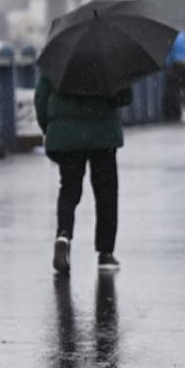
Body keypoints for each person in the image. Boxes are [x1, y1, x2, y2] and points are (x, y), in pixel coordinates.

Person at [34, 76, 133, 274]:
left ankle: (63, 235)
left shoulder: (59, 62)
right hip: (103, 134)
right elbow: (124, 98)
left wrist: (51, 128)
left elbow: (41, 98)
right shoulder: (109, 62)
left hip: (67, 135)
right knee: (106, 193)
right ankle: (105, 253)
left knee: (69, 189)